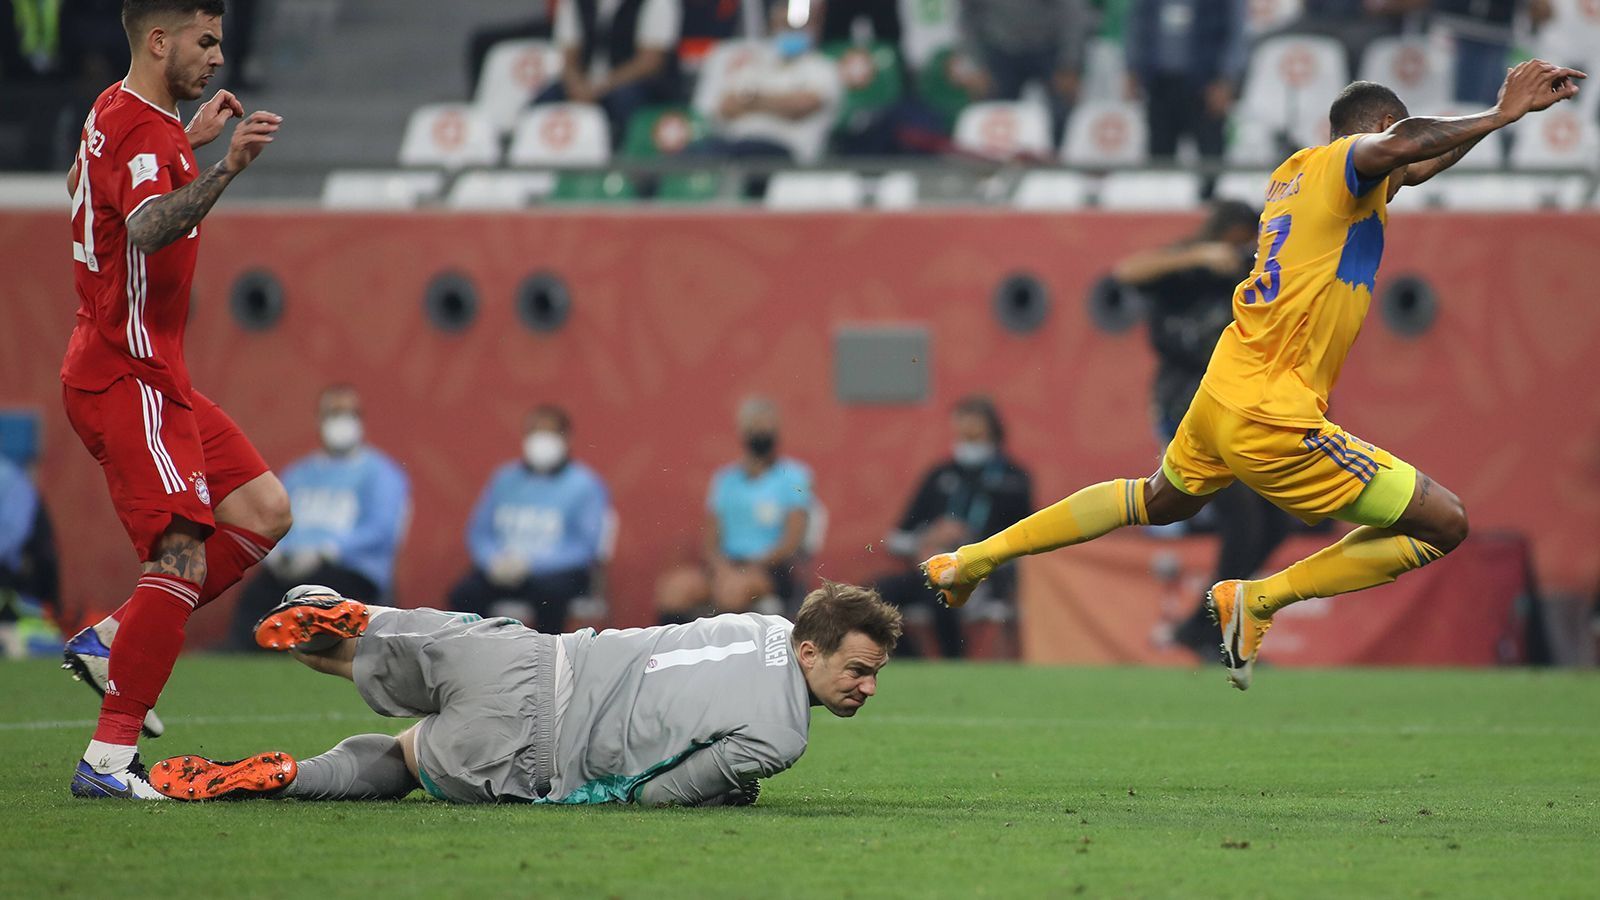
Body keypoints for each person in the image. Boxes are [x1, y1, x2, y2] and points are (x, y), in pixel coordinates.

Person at [924, 61, 1586, 690]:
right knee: (1445, 522)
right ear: (1376, 128)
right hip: (1273, 409)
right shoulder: (1342, 162)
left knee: (1157, 499)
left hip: (1222, 389)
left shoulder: (1298, 180)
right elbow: (1408, 143)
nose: (1403, 162)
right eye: (1392, 142)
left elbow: (1419, 162)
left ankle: (972, 559)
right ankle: (1260, 598)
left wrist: (1506, 124)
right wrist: (1498, 112)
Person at [58, 0, 291, 800]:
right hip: (128, 373)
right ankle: (107, 761)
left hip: (152, 370)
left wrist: (188, 144)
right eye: (206, 40)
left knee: (263, 512)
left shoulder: (115, 111)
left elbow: (81, 182)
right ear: (159, 41)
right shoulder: (148, 133)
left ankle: (115, 638)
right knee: (182, 556)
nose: (218, 57)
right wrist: (227, 167)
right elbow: (151, 226)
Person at [146, 579, 901, 805]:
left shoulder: (764, 622)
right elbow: (657, 798)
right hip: (534, 744)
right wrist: (728, 791)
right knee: (408, 759)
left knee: (344, 655)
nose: (866, 688)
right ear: (810, 650)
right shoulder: (784, 736)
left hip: (525, 655)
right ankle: (290, 777)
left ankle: (342, 608)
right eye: (858, 670)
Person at [1112, 200, 1299, 657]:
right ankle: (1205, 625)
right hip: (1188, 405)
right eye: (1239, 237)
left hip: (1243, 405)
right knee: (1243, 516)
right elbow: (1127, 271)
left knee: (1279, 518)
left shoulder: (1253, 272)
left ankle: (1201, 623)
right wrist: (1199, 256)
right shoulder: (1186, 266)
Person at [229, 385, 410, 650]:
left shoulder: (381, 473)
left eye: (350, 414)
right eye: (334, 414)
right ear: (319, 420)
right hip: (292, 568)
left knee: (322, 599)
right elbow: (274, 517)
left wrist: (327, 551)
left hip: (350, 570)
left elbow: (381, 530)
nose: (342, 422)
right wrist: (278, 554)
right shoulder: (298, 474)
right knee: (256, 598)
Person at [874, 397, 1032, 659]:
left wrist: (975, 543)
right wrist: (928, 537)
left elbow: (1028, 540)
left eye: (974, 422)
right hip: (930, 568)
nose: (965, 429)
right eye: (961, 421)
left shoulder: (1013, 478)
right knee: (874, 597)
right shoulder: (939, 475)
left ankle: (954, 662)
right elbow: (896, 539)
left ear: (992, 427)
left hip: (984, 576)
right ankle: (908, 661)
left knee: (941, 598)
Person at [448, 405, 612, 635]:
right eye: (535, 432)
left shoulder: (585, 485)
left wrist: (531, 563)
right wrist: (493, 560)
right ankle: (478, 658)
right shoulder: (504, 479)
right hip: (503, 570)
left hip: (557, 574)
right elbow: (479, 532)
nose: (541, 440)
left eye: (550, 433)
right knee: (464, 594)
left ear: (567, 438)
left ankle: (546, 661)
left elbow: (585, 546)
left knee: (549, 596)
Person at [656, 397, 813, 621]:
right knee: (674, 589)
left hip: (770, 570)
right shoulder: (725, 480)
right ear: (743, 433)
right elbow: (710, 541)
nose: (761, 433)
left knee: (733, 592)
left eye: (766, 427)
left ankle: (723, 654)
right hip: (726, 567)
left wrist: (751, 566)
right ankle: (672, 655)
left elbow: (791, 541)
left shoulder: (794, 476)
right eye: (754, 427)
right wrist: (721, 568)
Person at [689, 0, 843, 164]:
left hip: (787, 153)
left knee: (744, 155)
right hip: (734, 145)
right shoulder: (757, 62)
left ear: (815, 27)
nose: (790, 31)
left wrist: (752, 100)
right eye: (783, 25)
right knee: (689, 156)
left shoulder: (823, 68)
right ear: (772, 26)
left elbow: (800, 107)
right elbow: (727, 106)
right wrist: (777, 103)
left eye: (796, 26)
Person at [1124, 0, 1247, 185]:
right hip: (1160, 83)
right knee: (1160, 154)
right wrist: (1133, 68)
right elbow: (1137, 24)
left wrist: (1226, 79)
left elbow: (1236, 33)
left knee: (1210, 154)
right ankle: (1161, 202)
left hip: (1207, 84)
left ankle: (1211, 202)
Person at [536, 0, 682, 146]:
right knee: (547, 98)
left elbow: (650, 62)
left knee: (624, 99)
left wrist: (599, 87)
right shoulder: (575, 3)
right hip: (585, 84)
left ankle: (622, 159)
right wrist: (577, 86)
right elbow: (568, 57)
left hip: (637, 85)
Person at [956, 0, 1093, 137]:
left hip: (1051, 47)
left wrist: (1069, 64)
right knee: (993, 110)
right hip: (1000, 49)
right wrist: (976, 65)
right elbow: (966, 18)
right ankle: (997, 155)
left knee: (1063, 110)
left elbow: (1073, 14)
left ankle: (1058, 154)